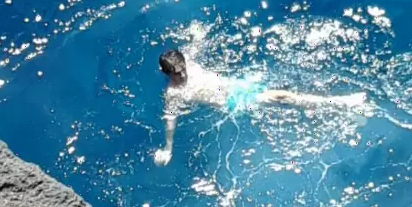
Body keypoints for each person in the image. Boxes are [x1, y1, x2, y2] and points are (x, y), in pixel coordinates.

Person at [153, 47, 368, 166]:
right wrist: (168, 149)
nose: (182, 75)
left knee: (286, 96)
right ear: (165, 73)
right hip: (235, 102)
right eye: (177, 73)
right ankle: (342, 103)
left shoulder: (187, 60)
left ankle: (336, 107)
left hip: (238, 86)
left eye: (183, 70)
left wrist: (197, 33)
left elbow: (193, 46)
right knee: (283, 97)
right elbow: (170, 119)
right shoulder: (174, 93)